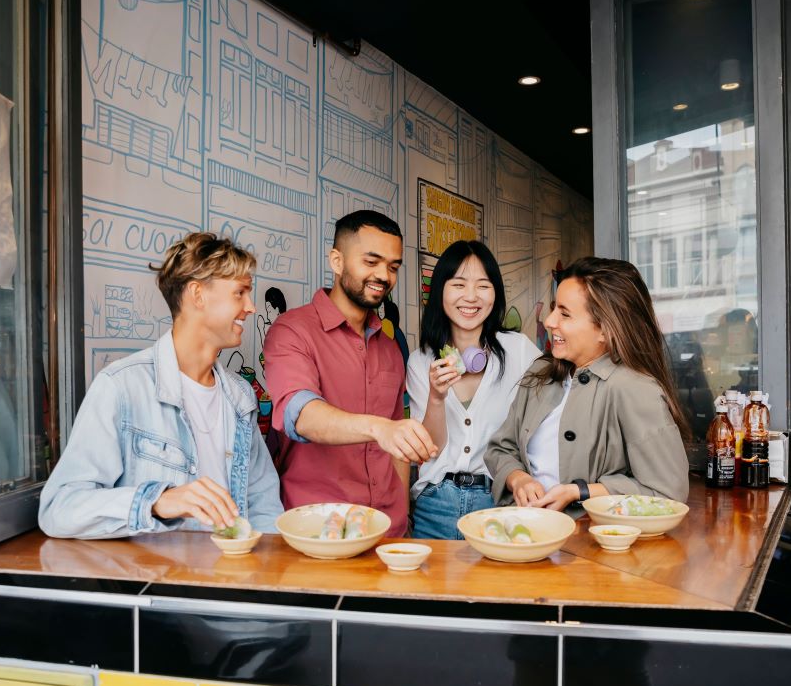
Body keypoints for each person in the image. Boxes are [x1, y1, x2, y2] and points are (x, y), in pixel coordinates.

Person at [38, 233, 282, 538]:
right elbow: (59, 509)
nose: (251, 307)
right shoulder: (121, 387)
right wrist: (156, 501)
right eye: (240, 292)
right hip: (156, 583)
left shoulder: (240, 395)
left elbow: (264, 505)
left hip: (232, 579)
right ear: (197, 295)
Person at [263, 210, 437, 537]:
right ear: (337, 261)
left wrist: (401, 521)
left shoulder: (390, 349)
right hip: (318, 533)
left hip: (387, 530)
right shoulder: (292, 331)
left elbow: (397, 447)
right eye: (371, 262)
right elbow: (301, 416)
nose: (384, 275)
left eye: (393, 266)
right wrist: (378, 428)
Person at [485, 257, 690, 513]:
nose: (549, 321)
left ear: (605, 329)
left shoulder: (635, 388)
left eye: (565, 313)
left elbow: (667, 490)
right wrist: (519, 479)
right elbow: (501, 448)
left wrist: (580, 491)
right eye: (553, 308)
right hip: (528, 534)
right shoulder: (540, 373)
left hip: (592, 546)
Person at [406, 240, 541, 539]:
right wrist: (437, 398)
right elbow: (431, 449)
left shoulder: (519, 351)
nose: (471, 296)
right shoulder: (421, 361)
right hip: (436, 502)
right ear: (441, 290)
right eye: (458, 284)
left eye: (483, 285)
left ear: (495, 293)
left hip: (499, 500)